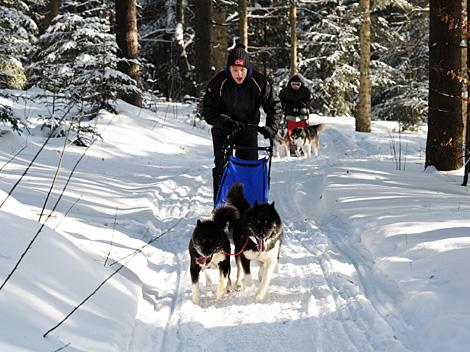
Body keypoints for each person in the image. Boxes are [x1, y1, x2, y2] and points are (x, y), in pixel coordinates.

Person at [202, 43, 282, 202]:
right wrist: (224, 122)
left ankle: (250, 204)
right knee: (222, 167)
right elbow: (209, 111)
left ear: (248, 69)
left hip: (248, 128)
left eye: (242, 70)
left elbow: (274, 106)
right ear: (228, 69)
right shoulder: (218, 83)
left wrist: (271, 128)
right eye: (234, 70)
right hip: (224, 128)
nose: (238, 74)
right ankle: (221, 204)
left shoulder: (259, 82)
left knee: (249, 167)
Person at [279, 73, 312, 137]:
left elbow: (309, 100)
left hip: (302, 112)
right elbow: (280, 100)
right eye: (293, 84)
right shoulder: (285, 91)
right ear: (290, 84)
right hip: (290, 113)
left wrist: (305, 104)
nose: (295, 86)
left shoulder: (305, 91)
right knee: (290, 126)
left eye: (298, 84)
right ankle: (290, 139)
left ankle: (303, 138)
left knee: (302, 127)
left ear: (301, 84)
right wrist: (283, 107)